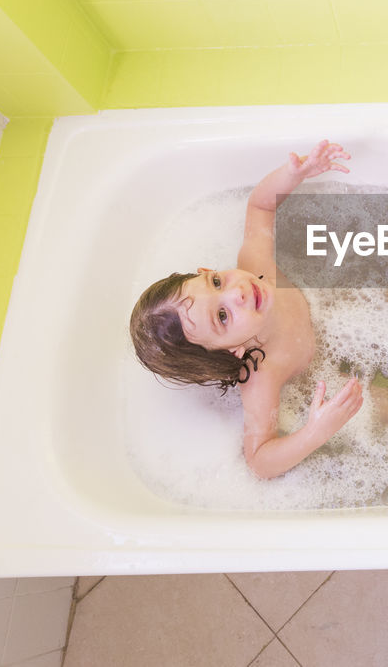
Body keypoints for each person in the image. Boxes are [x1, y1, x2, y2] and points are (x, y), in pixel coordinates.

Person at [130, 140, 363, 479]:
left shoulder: (255, 265)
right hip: (333, 370)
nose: (237, 293)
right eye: (222, 317)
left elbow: (260, 207)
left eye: (216, 285)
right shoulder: (260, 374)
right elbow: (259, 460)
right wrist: (316, 431)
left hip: (341, 315)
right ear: (233, 351)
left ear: (207, 270)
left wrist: (294, 173)